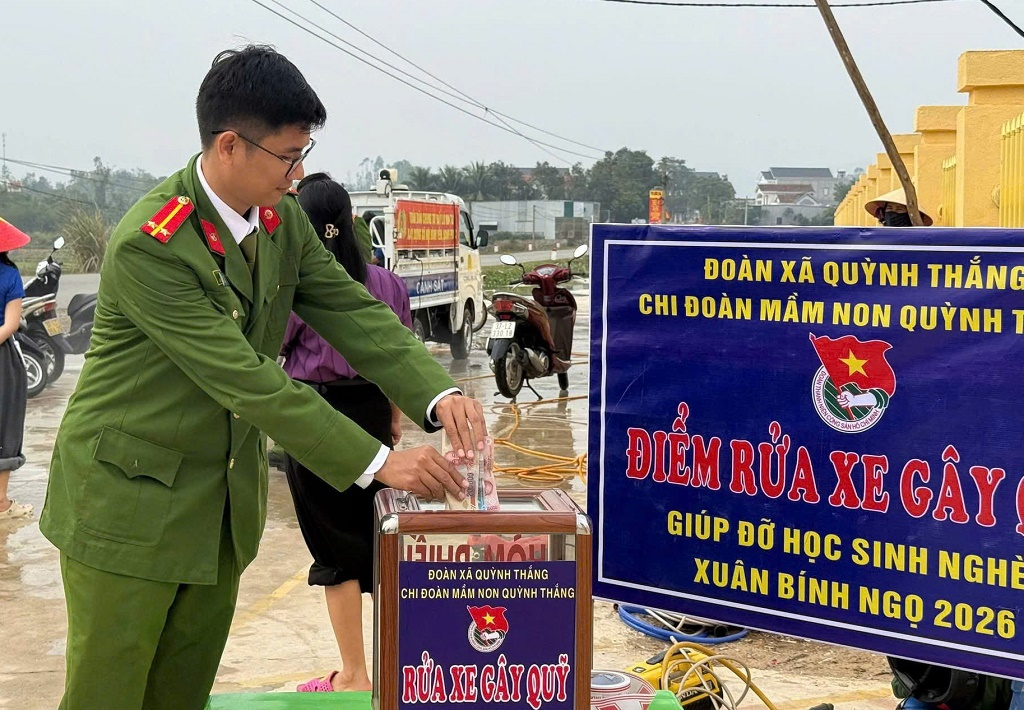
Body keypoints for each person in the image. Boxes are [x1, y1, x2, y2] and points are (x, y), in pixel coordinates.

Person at [39, 45, 486, 710]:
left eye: (303, 153)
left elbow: (351, 309)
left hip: (218, 512)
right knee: (110, 697)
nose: (298, 172)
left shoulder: (281, 222)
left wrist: (438, 391)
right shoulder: (151, 245)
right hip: (126, 511)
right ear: (230, 146)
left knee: (181, 696)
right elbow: (246, 379)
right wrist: (378, 462)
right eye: (287, 156)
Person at [864, 190, 1012, 710]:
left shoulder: (955, 299)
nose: (889, 225)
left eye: (897, 220)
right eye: (885, 220)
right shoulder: (869, 299)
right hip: (914, 490)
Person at [278, 173, 407, 692]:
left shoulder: (296, 285)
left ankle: (353, 674)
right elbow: (398, 355)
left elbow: (269, 350)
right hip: (372, 410)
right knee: (379, 539)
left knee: (335, 548)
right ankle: (398, 666)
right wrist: (393, 416)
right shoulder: (386, 283)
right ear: (350, 221)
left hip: (316, 419)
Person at [0, 216, 32, 520]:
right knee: (5, 423)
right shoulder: (10, 275)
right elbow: (10, 325)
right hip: (3, 359)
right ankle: (1, 503)